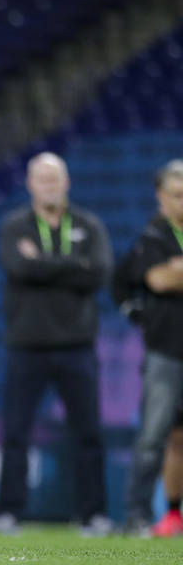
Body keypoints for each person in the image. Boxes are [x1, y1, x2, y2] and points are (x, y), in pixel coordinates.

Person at [0, 153, 113, 537]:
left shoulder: (88, 224)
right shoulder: (15, 226)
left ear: (67, 182)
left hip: (77, 345)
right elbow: (18, 268)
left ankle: (92, 514)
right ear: (29, 184)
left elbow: (98, 273)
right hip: (26, 345)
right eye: (41, 179)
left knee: (89, 433)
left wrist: (43, 263)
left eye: (55, 178)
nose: (49, 185)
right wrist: (70, 265)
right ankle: (9, 512)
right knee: (16, 433)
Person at [123, 159, 183, 536]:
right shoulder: (153, 236)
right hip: (165, 349)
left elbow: (170, 276)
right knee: (156, 436)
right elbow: (158, 280)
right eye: (178, 195)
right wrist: (170, 273)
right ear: (161, 198)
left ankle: (169, 513)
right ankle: (139, 514)